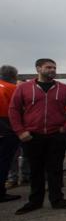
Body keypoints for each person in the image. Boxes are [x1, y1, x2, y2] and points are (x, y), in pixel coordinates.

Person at [9, 58, 66, 214]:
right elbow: (14, 110)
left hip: (56, 135)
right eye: (48, 67)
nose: (52, 70)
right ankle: (35, 201)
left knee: (55, 170)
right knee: (36, 170)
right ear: (38, 69)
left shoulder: (64, 88)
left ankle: (57, 199)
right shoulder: (24, 88)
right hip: (33, 136)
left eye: (54, 67)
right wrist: (20, 131)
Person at [0, 65, 21, 202]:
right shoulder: (13, 89)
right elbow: (20, 110)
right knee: (3, 162)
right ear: (14, 76)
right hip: (7, 131)